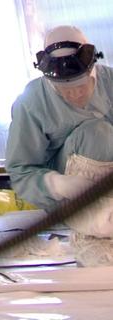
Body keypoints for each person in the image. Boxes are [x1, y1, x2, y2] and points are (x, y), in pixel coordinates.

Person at [6, 24, 113, 260]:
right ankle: (93, 223)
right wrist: (57, 184)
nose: (74, 95)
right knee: (97, 133)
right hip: (69, 199)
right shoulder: (32, 102)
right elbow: (20, 170)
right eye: (64, 90)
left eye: (80, 86)